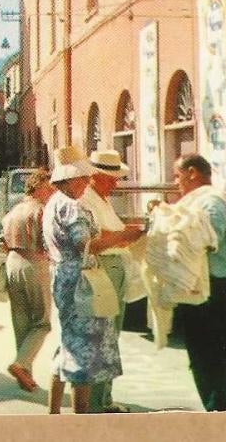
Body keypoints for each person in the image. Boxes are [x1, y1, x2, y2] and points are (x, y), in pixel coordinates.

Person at [43, 145, 143, 415]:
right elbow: (87, 245)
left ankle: (53, 413)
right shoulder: (73, 207)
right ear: (73, 179)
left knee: (67, 345)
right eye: (83, 178)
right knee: (83, 352)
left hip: (63, 276)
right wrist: (123, 237)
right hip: (80, 280)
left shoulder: (53, 203)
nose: (86, 182)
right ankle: (81, 421)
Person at [171, 154, 226, 412]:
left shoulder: (211, 203)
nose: (176, 182)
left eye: (178, 176)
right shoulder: (200, 201)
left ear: (193, 172)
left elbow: (205, 240)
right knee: (202, 356)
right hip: (201, 287)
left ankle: (218, 414)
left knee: (211, 357)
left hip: (213, 289)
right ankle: (215, 411)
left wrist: (169, 230)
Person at [79, 149, 136, 413]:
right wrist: (125, 234)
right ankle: (96, 403)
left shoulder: (102, 199)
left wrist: (124, 234)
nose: (115, 183)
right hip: (102, 269)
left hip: (114, 267)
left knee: (110, 336)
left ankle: (104, 399)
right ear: (95, 176)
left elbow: (110, 234)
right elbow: (95, 242)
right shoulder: (86, 200)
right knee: (103, 336)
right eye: (110, 178)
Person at [0, 168, 55, 393]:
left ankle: (25, 374)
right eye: (50, 188)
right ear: (40, 187)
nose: (52, 192)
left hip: (12, 262)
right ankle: (21, 364)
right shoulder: (41, 211)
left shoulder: (14, 210)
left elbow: (2, 242)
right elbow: (48, 242)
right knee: (42, 322)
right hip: (35, 262)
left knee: (20, 319)